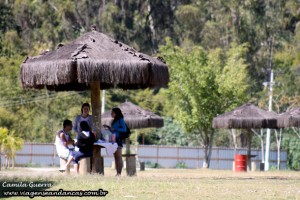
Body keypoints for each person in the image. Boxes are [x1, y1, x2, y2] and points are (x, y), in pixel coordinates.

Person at [103, 107, 126, 176]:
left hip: (118, 140)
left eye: (112, 112)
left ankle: (119, 173)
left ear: (116, 113)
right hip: (113, 140)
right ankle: (117, 172)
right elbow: (113, 130)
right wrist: (109, 127)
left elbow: (124, 129)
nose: (111, 114)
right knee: (115, 157)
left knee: (119, 157)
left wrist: (115, 128)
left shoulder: (120, 120)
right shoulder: (114, 121)